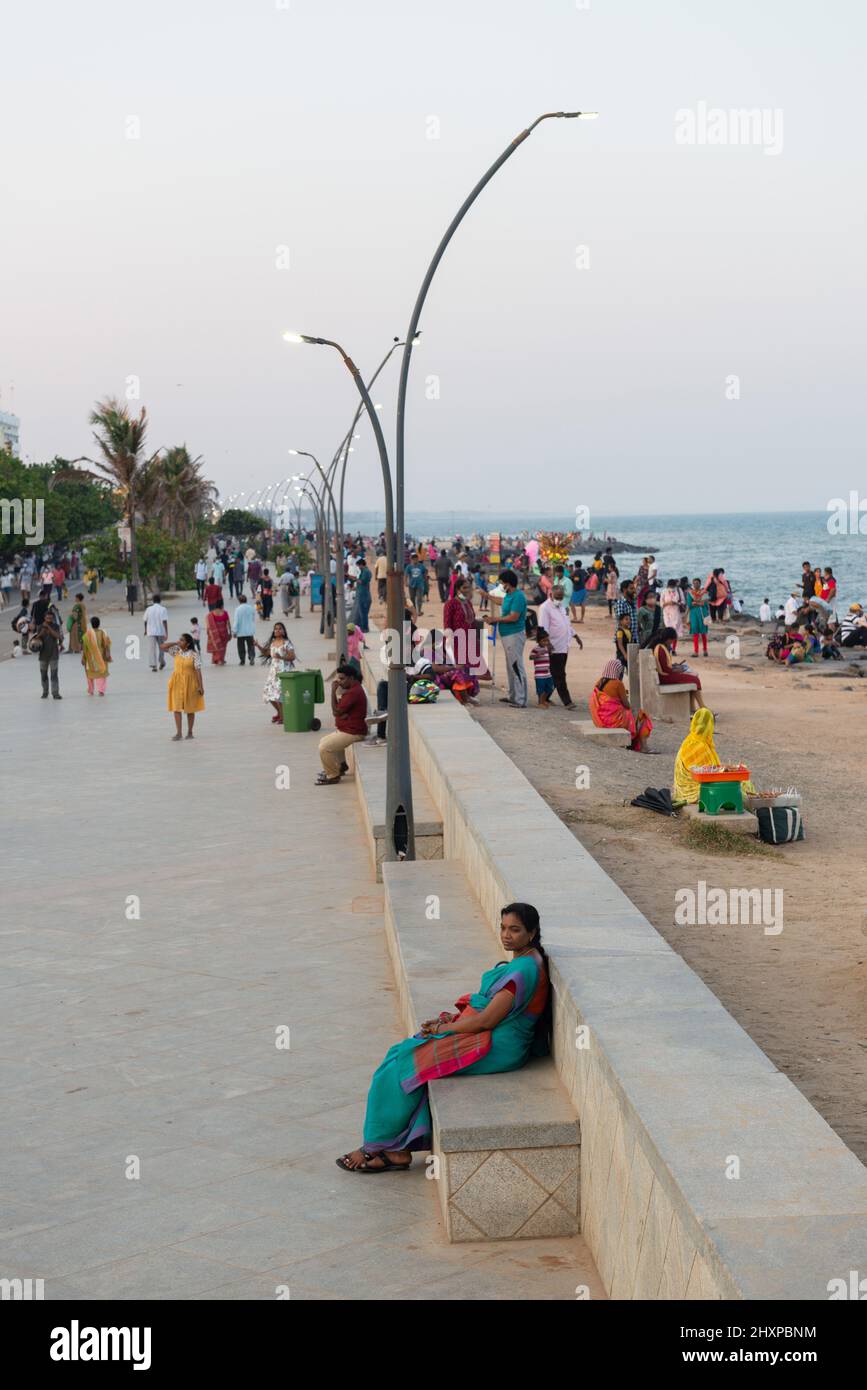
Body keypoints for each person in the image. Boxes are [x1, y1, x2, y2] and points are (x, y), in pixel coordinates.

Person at [336, 902, 549, 1173]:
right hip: (491, 1035)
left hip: (497, 1045)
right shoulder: (524, 960)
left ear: (531, 933)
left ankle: (376, 1148)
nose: (506, 935)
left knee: (404, 1063)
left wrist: (442, 1030)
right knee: (399, 1054)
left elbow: (486, 1020)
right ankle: (397, 1151)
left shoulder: (525, 970)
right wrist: (453, 1021)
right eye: (503, 928)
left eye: (515, 930)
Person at [316, 662, 367, 785]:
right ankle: (341, 766)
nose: (339, 682)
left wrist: (333, 691)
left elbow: (336, 711)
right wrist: (341, 714)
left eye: (342, 678)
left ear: (351, 678)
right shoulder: (351, 690)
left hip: (354, 732)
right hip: (346, 729)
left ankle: (333, 775)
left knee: (324, 748)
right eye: (338, 678)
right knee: (325, 741)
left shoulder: (353, 692)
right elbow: (339, 712)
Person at [589, 657, 653, 752]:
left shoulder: (600, 682)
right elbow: (626, 705)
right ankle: (643, 746)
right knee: (642, 716)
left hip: (601, 719)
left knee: (634, 716)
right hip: (613, 720)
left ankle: (634, 743)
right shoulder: (618, 683)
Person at [485, 570, 527, 708]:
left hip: (514, 635)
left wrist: (495, 619)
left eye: (502, 582)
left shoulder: (518, 596)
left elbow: (513, 617)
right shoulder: (510, 595)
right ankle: (513, 695)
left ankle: (520, 699)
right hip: (507, 634)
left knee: (516, 666)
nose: (501, 585)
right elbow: (501, 601)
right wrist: (487, 596)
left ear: (508, 583)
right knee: (510, 666)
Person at [537, 585, 582, 708]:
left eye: (561, 597)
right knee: (560, 675)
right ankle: (567, 701)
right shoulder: (545, 608)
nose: (559, 599)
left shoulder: (561, 607)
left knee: (554, 675)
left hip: (564, 646)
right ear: (551, 594)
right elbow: (542, 628)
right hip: (553, 647)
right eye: (557, 597)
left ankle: (545, 697)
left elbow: (566, 625)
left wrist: (576, 636)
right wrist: (548, 645)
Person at [650, 628, 707, 712]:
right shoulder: (661, 649)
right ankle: (702, 707)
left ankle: (692, 709)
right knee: (695, 680)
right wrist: (677, 670)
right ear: (668, 639)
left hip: (665, 675)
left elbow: (665, 666)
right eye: (672, 640)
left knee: (692, 678)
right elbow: (665, 669)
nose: (672, 642)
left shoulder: (661, 647)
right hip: (665, 677)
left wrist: (675, 667)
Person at [443, 576, 488, 679]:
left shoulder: (468, 603)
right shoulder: (450, 604)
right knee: (461, 669)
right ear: (457, 589)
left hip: (470, 639)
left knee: (477, 671)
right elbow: (447, 623)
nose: (467, 590)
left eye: (468, 587)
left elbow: (471, 619)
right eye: (464, 588)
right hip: (457, 640)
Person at [161, 632, 204, 740]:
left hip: (190, 683)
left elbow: (198, 670)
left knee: (190, 708)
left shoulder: (194, 654)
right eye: (179, 639)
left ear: (188, 643)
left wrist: (201, 686)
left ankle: (190, 732)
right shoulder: (176, 651)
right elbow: (162, 646)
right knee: (176, 707)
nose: (179, 641)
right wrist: (176, 643)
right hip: (176, 682)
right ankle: (179, 733)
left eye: (182, 640)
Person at [673, 709, 720, 803]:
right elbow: (708, 775)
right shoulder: (699, 745)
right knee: (741, 786)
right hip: (692, 789)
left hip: (683, 787)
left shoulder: (691, 739)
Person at [257, 622, 296, 723]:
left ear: (283, 631)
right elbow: (266, 653)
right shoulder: (273, 643)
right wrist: (258, 645)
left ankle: (283, 717)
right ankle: (280, 713)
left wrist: (281, 657)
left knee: (279, 695)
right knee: (268, 694)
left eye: (279, 629)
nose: (277, 630)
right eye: (276, 629)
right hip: (273, 673)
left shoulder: (287, 643)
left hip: (284, 673)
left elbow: (292, 657)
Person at [35, 610, 63, 699]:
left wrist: (49, 628)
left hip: (54, 654)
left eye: (51, 618)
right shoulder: (40, 627)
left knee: (54, 675)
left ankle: (55, 693)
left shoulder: (56, 626)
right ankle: (45, 692)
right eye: (47, 617)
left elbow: (58, 636)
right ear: (44, 618)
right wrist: (41, 633)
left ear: (53, 618)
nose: (49, 619)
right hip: (43, 655)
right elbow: (35, 639)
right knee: (43, 675)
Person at [81, 615, 112, 695]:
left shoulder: (87, 635)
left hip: (90, 658)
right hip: (100, 658)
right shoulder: (103, 633)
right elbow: (107, 645)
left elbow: (84, 648)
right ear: (99, 624)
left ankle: (91, 690)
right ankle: (101, 691)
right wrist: (108, 654)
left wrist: (83, 658)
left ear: (91, 624)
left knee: (90, 674)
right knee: (101, 674)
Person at [529, 628, 554, 707]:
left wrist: (550, 649)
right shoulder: (536, 649)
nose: (546, 642)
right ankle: (540, 702)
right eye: (544, 641)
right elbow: (530, 657)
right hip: (539, 674)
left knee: (550, 688)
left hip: (547, 673)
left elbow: (551, 654)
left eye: (547, 640)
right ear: (538, 641)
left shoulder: (547, 648)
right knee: (540, 689)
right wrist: (537, 654)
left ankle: (543, 700)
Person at [143, 594, 169, 671]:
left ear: (153, 601)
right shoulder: (163, 609)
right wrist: (166, 632)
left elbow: (145, 620)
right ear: (160, 601)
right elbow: (164, 621)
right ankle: (161, 662)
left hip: (150, 631)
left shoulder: (148, 609)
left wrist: (145, 630)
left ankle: (154, 665)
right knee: (162, 648)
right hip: (160, 631)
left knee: (152, 648)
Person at [686, 578, 709, 657]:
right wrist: (699, 603)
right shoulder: (690, 593)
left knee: (703, 633)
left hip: (703, 613)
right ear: (693, 584)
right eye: (694, 583)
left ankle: (705, 650)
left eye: (697, 583)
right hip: (694, 614)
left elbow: (705, 604)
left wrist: (695, 602)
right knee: (695, 632)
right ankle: (696, 651)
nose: (696, 584)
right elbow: (689, 604)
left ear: (700, 583)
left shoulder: (704, 592)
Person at [232, 595, 257, 665]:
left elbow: (236, 621)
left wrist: (234, 631)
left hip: (240, 632)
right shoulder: (251, 608)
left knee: (241, 647)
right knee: (251, 645)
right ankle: (251, 657)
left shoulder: (238, 609)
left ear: (239, 601)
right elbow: (253, 618)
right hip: (249, 631)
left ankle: (242, 659)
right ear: (246, 600)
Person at [661, 580, 685, 650]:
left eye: (672, 587)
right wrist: (668, 603)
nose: (671, 588)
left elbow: (683, 601)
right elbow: (661, 603)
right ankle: (668, 647)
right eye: (670, 587)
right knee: (668, 631)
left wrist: (676, 603)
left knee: (675, 631)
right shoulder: (664, 591)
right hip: (667, 613)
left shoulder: (679, 590)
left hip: (676, 613)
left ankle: (673, 649)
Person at [206, 600, 231, 665]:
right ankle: (220, 659)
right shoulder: (225, 612)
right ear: (222, 605)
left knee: (216, 645)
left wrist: (208, 632)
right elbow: (228, 623)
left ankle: (216, 659)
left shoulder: (211, 614)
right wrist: (230, 632)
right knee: (223, 647)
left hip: (215, 632)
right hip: (224, 632)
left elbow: (209, 626)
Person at [352, 557, 372, 632]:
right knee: (363, 613)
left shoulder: (365, 572)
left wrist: (354, 579)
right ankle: (364, 627)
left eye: (358, 566)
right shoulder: (365, 571)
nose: (358, 568)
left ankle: (365, 628)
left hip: (364, 595)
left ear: (361, 565)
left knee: (363, 613)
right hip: (363, 594)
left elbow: (362, 581)